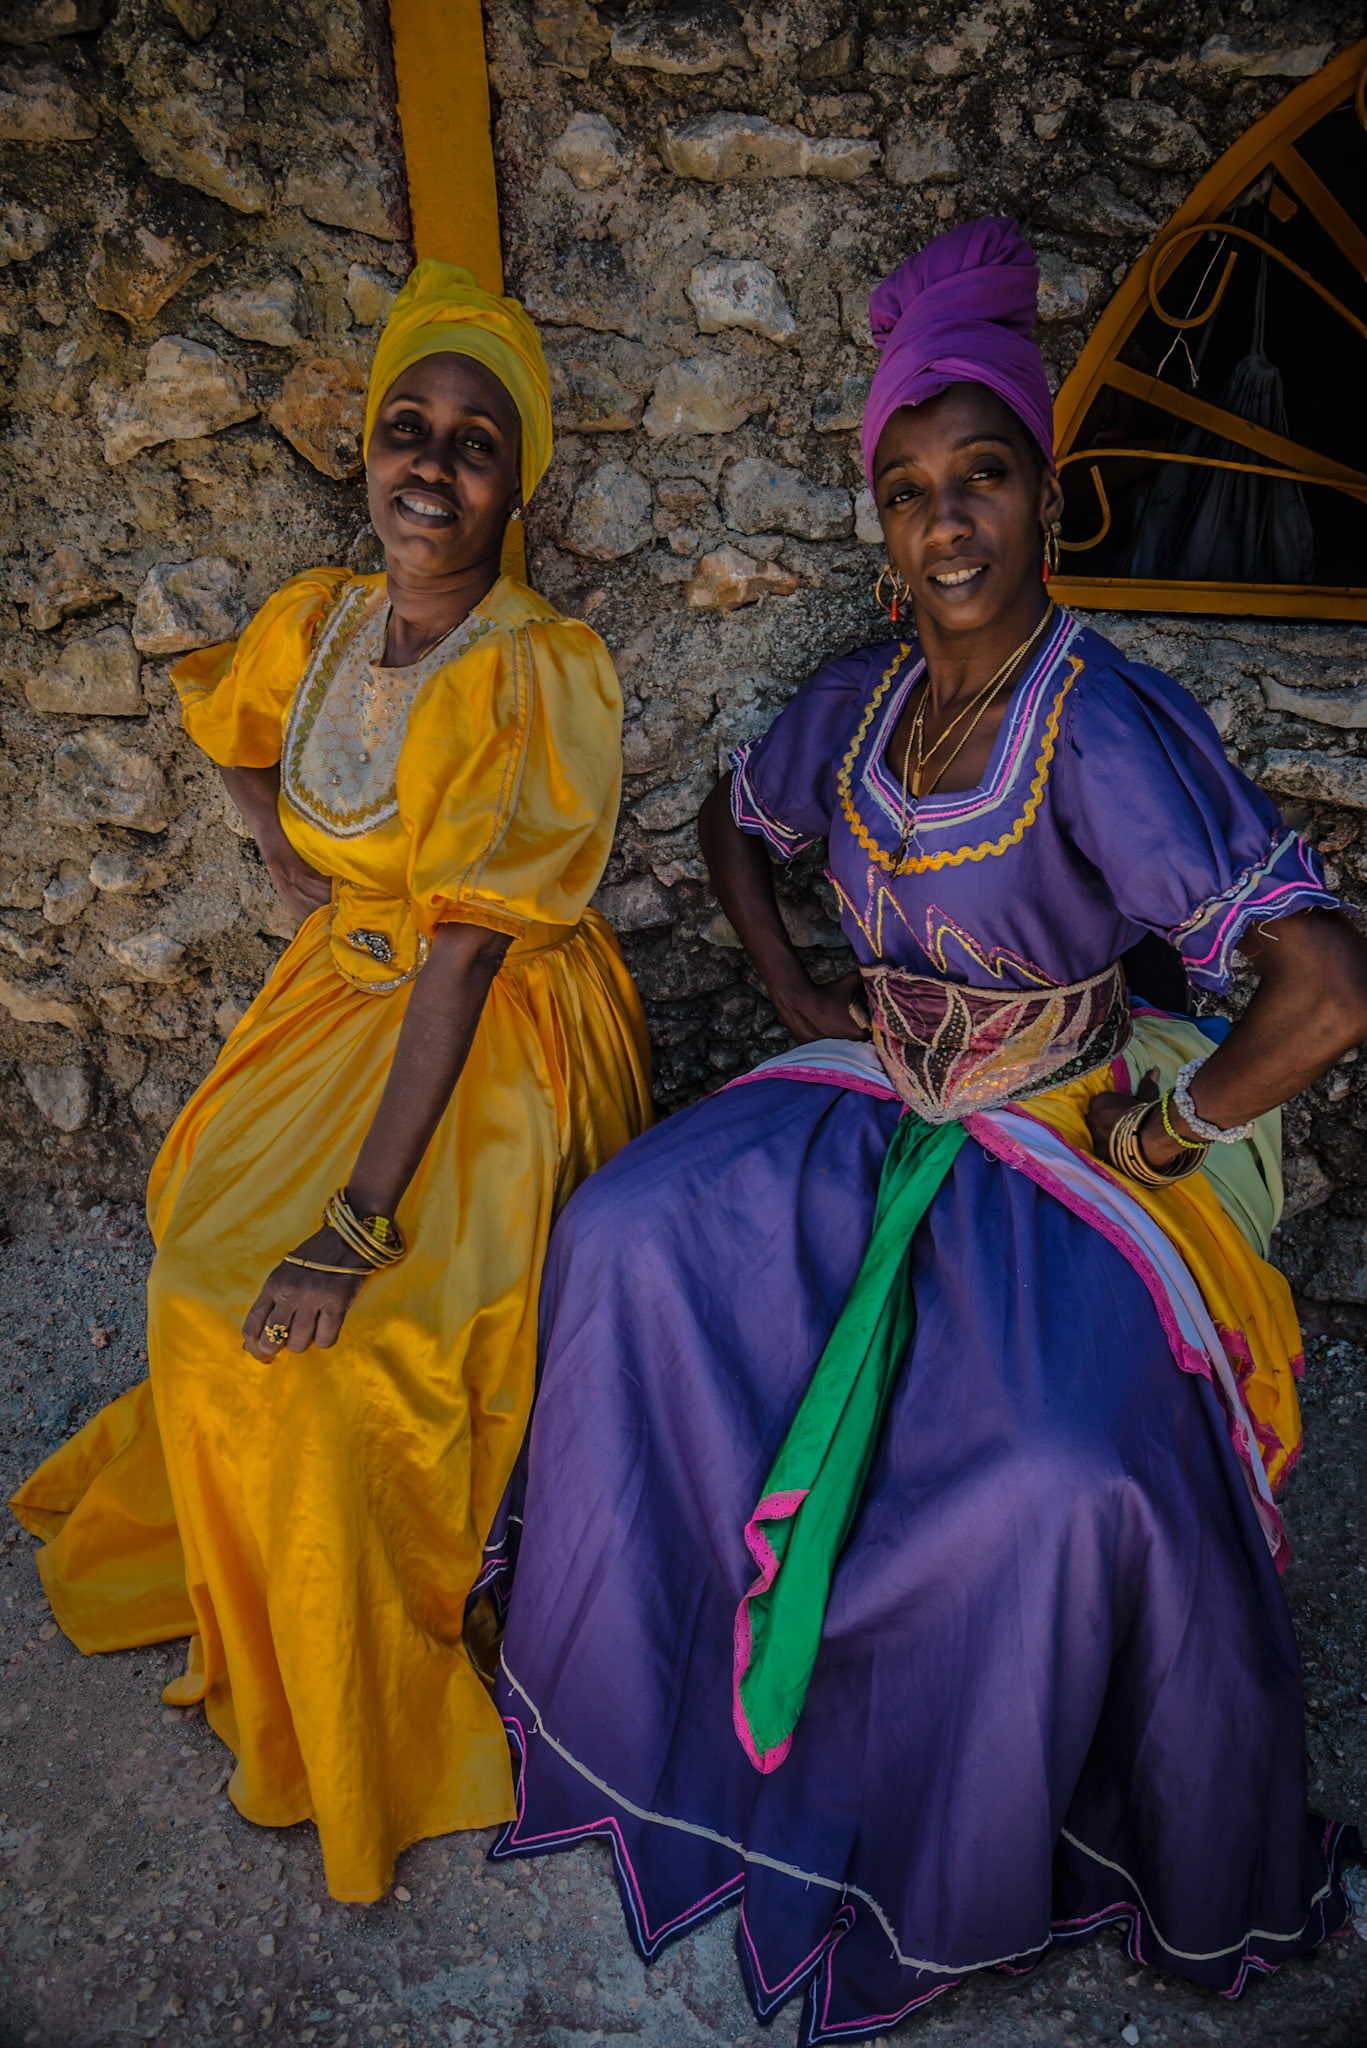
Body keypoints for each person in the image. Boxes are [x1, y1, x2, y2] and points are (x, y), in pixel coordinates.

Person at [484, 219, 1367, 2036]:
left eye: (979, 480)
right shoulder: (874, 701)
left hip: (1053, 1130)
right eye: (906, 490)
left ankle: (967, 1794)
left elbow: (1329, 988)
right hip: (870, 1084)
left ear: (1047, 501)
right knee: (631, 1238)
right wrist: (801, 993)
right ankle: (646, 1672)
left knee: (1059, 1468)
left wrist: (1177, 1132)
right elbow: (739, 821)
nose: (944, 521)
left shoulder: (1103, 727)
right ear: (880, 526)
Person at [10, 260, 652, 1903]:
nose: (431, 467)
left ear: (520, 484)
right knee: (196, 1278)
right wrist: (300, 885)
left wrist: (356, 1224)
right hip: (348, 993)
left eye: (475, 445)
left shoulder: (541, 668)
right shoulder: (317, 622)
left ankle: (376, 1658)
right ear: (369, 448)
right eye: (407, 430)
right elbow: (230, 727)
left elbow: (466, 952)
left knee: (362, 1347)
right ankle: (269, 1615)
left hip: (491, 1037)